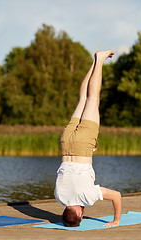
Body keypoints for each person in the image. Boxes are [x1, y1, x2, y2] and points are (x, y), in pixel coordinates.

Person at [54, 50, 121, 227]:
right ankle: (94, 62)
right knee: (83, 98)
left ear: (79, 214)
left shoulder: (88, 197)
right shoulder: (59, 197)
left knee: (93, 97)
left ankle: (99, 61)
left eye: (81, 215)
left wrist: (116, 220)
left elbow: (116, 196)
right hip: (66, 144)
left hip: (83, 145)